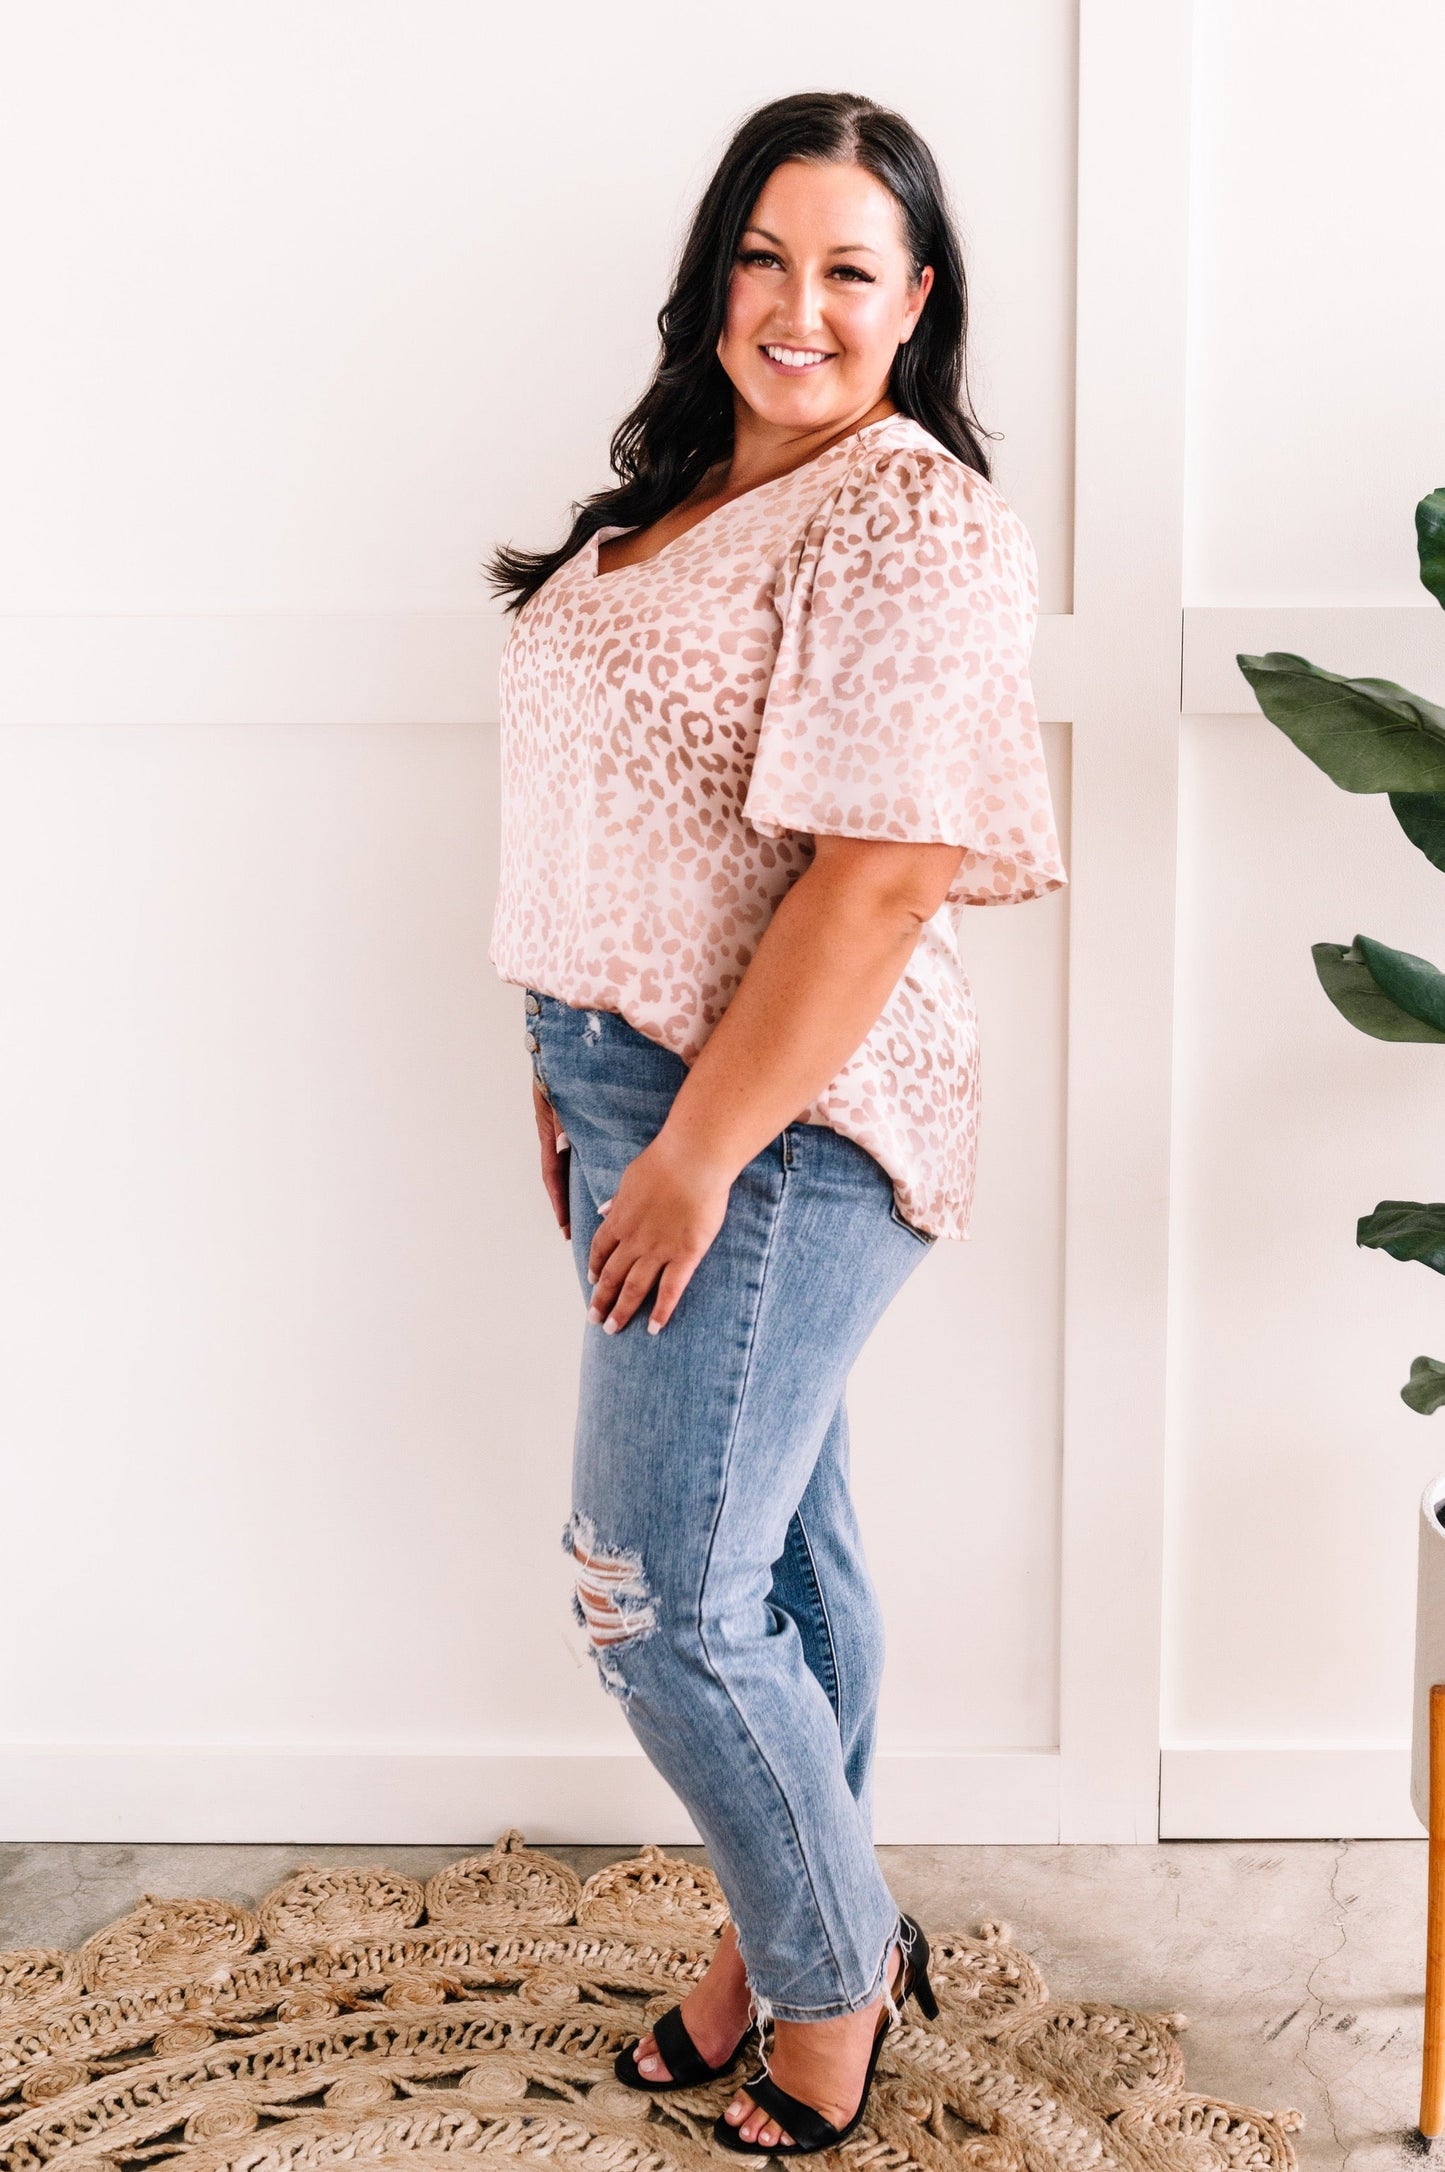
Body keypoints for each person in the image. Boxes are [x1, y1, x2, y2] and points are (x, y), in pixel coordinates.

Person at [486, 88, 1066, 2157]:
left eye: (847, 268)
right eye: (764, 254)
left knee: (656, 1593)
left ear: (917, 303)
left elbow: (883, 874)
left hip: (788, 1111)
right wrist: (565, 1071)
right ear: (713, 272)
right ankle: (788, 1926)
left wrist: (698, 1142)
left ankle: (833, 1981)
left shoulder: (905, 516)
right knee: (781, 1565)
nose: (796, 304)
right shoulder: (675, 504)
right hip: (634, 1080)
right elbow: (603, 822)